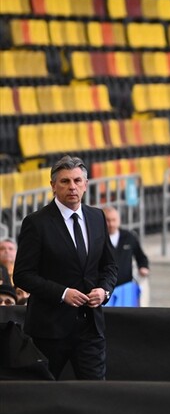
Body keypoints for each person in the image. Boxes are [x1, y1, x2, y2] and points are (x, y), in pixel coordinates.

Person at [13, 155, 118, 380]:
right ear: (53, 186)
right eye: (65, 181)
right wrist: (62, 293)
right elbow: (22, 275)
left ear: (85, 184)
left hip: (91, 328)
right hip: (49, 330)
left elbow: (109, 265)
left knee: (95, 393)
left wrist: (104, 291)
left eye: (77, 181)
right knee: (43, 392)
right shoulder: (36, 223)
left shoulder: (97, 217)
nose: (72, 187)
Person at [102, 206, 150, 307]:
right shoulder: (97, 238)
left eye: (114, 220)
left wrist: (143, 267)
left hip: (125, 288)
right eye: (108, 220)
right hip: (104, 289)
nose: (111, 224)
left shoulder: (129, 237)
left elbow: (141, 257)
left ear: (119, 220)